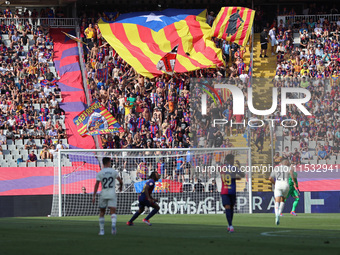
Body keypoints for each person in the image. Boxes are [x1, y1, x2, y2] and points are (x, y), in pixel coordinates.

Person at [92, 157, 123, 235]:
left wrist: (94, 196)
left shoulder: (100, 173)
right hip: (112, 193)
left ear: (103, 163)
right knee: (112, 211)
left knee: (102, 212)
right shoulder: (113, 171)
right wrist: (120, 187)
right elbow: (120, 181)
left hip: (104, 193)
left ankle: (102, 230)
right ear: (109, 163)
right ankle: (113, 226)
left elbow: (96, 184)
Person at [220, 154, 244, 233]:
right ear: (229, 160)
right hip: (232, 190)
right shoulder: (234, 168)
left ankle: (230, 224)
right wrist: (239, 167)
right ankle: (230, 225)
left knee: (228, 208)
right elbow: (242, 175)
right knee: (230, 208)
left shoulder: (221, 167)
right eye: (232, 160)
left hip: (224, 190)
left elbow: (226, 175)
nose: (233, 161)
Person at [269, 159, 297, 225]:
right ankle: (279, 212)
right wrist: (294, 182)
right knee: (283, 200)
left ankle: (277, 216)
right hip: (285, 185)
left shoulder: (276, 168)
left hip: (278, 184)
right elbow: (292, 174)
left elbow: (270, 178)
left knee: (276, 201)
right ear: (287, 163)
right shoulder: (288, 168)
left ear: (281, 163)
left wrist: (275, 183)